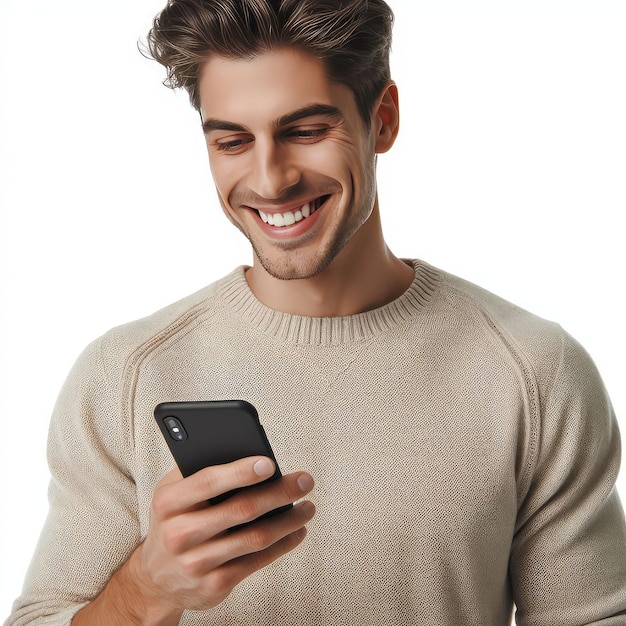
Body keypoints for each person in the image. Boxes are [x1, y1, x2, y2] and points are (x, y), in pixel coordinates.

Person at [5, 0, 626, 624]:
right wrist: (147, 589)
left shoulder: (534, 371)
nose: (270, 180)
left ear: (381, 120)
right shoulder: (124, 376)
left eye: (304, 131)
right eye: (232, 141)